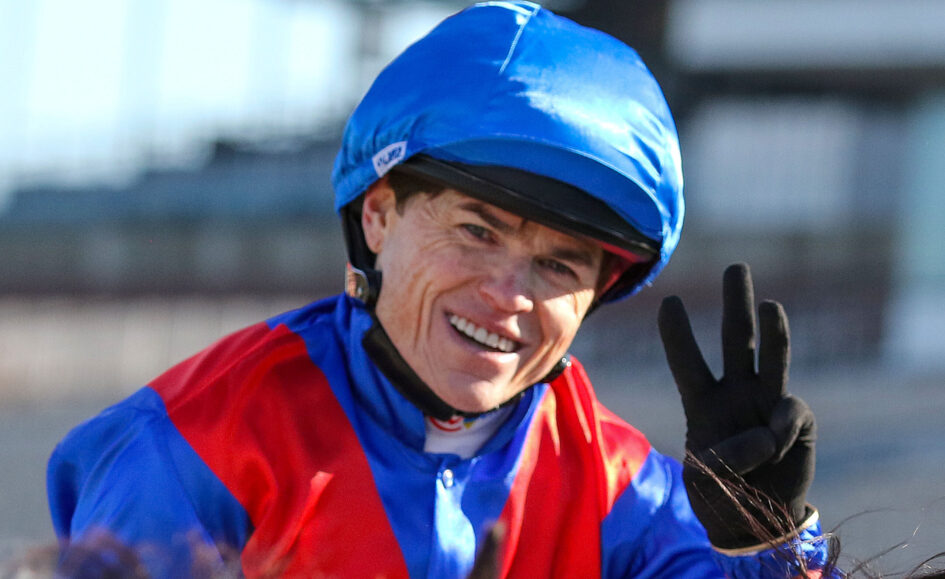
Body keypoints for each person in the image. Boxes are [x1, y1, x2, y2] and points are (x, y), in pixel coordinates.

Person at [47, 2, 830, 577]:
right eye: (477, 231)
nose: (508, 292)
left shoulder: (619, 486)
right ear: (378, 215)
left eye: (559, 266)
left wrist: (769, 545)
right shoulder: (192, 449)